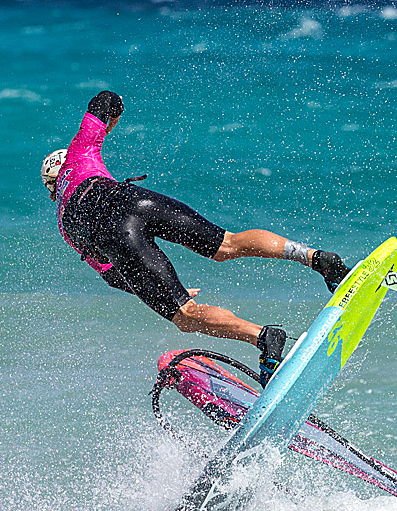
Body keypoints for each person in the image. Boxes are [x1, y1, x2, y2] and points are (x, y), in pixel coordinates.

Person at [41, 90, 350, 386]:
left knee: (186, 314)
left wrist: (154, 284)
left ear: (52, 189)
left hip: (115, 235)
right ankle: (316, 259)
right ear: (65, 161)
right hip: (135, 200)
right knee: (228, 243)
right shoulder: (81, 153)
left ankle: (263, 337)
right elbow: (106, 99)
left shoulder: (65, 226)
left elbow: (113, 276)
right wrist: (113, 120)